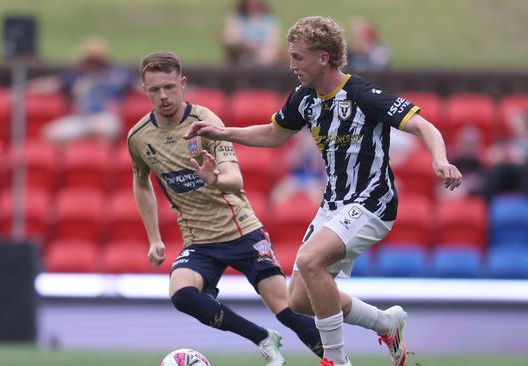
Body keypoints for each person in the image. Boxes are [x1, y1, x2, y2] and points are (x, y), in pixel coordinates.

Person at [184, 16, 462, 366]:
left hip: (373, 201)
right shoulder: (303, 98)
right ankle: (386, 323)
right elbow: (274, 134)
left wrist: (440, 160)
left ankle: (335, 360)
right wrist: (223, 133)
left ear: (324, 58)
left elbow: (424, 125)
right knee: (300, 299)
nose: (291, 65)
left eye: (298, 57)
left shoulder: (361, 94)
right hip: (334, 205)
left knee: (309, 260)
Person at [128, 51, 324, 366]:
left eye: (169, 87)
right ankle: (262, 337)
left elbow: (235, 179)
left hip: (242, 230)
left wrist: (214, 178)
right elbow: (141, 182)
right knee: (182, 295)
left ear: (182, 83)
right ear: (145, 91)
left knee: (286, 310)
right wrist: (154, 238)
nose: (163, 96)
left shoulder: (205, 123)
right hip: (200, 241)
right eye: (154, 90)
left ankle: (338, 360)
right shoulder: (139, 137)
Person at [28, 37, 137, 145]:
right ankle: (67, 161)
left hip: (106, 116)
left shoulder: (118, 75)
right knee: (51, 133)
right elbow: (54, 84)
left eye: (96, 59)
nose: (92, 62)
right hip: (81, 118)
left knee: (105, 130)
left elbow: (139, 85)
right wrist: (28, 87)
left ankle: (100, 161)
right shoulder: (76, 75)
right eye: (90, 59)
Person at [480, 108, 528, 201]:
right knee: (495, 171)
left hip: (526, 177)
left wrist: (523, 159)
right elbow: (491, 156)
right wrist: (506, 156)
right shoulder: (506, 142)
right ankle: (483, 204)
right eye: (513, 125)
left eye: (518, 124)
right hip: (507, 176)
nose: (514, 127)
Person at [221, 0, 281, 67]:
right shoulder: (235, 19)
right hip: (239, 62)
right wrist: (244, 45)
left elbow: (273, 46)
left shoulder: (270, 22)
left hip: (264, 64)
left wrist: (259, 53)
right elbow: (229, 40)